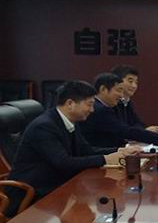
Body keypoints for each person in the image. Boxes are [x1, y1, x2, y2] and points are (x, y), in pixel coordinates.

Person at [4, 81, 139, 213]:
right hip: (33, 193)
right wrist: (105, 159)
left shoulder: (69, 121)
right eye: (89, 104)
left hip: (57, 184)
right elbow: (63, 162)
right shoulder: (44, 126)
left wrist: (119, 151)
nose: (92, 110)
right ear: (70, 103)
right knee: (94, 198)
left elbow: (86, 150)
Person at [80, 73, 158, 149]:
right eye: (118, 90)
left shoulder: (105, 106)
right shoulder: (100, 110)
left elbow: (130, 127)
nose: (121, 95)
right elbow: (125, 131)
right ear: (103, 89)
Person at [110, 64, 158, 132]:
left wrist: (145, 130)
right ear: (117, 82)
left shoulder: (126, 101)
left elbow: (136, 122)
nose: (134, 86)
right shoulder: (111, 103)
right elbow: (122, 130)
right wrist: (144, 131)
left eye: (136, 82)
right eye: (130, 81)